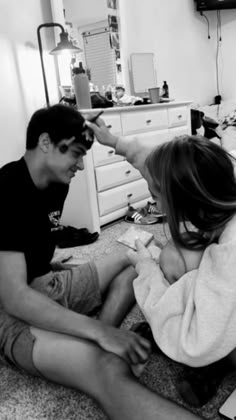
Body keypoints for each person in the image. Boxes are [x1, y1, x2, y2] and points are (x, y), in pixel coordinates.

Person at [0, 104, 202, 420]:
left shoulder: (57, 181)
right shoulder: (7, 189)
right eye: (76, 153)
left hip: (49, 285)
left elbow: (164, 171)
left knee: (137, 254)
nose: (81, 164)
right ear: (45, 142)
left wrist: (109, 139)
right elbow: (14, 296)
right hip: (13, 312)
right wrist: (97, 332)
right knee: (106, 370)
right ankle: (99, 340)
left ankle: (102, 333)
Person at [87, 117, 236, 398]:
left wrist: (146, 268)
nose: (154, 203)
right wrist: (113, 141)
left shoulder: (231, 251)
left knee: (172, 259)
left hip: (212, 334)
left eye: (156, 196)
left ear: (183, 198)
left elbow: (196, 340)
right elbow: (153, 164)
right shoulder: (215, 185)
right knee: (177, 255)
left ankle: (216, 363)